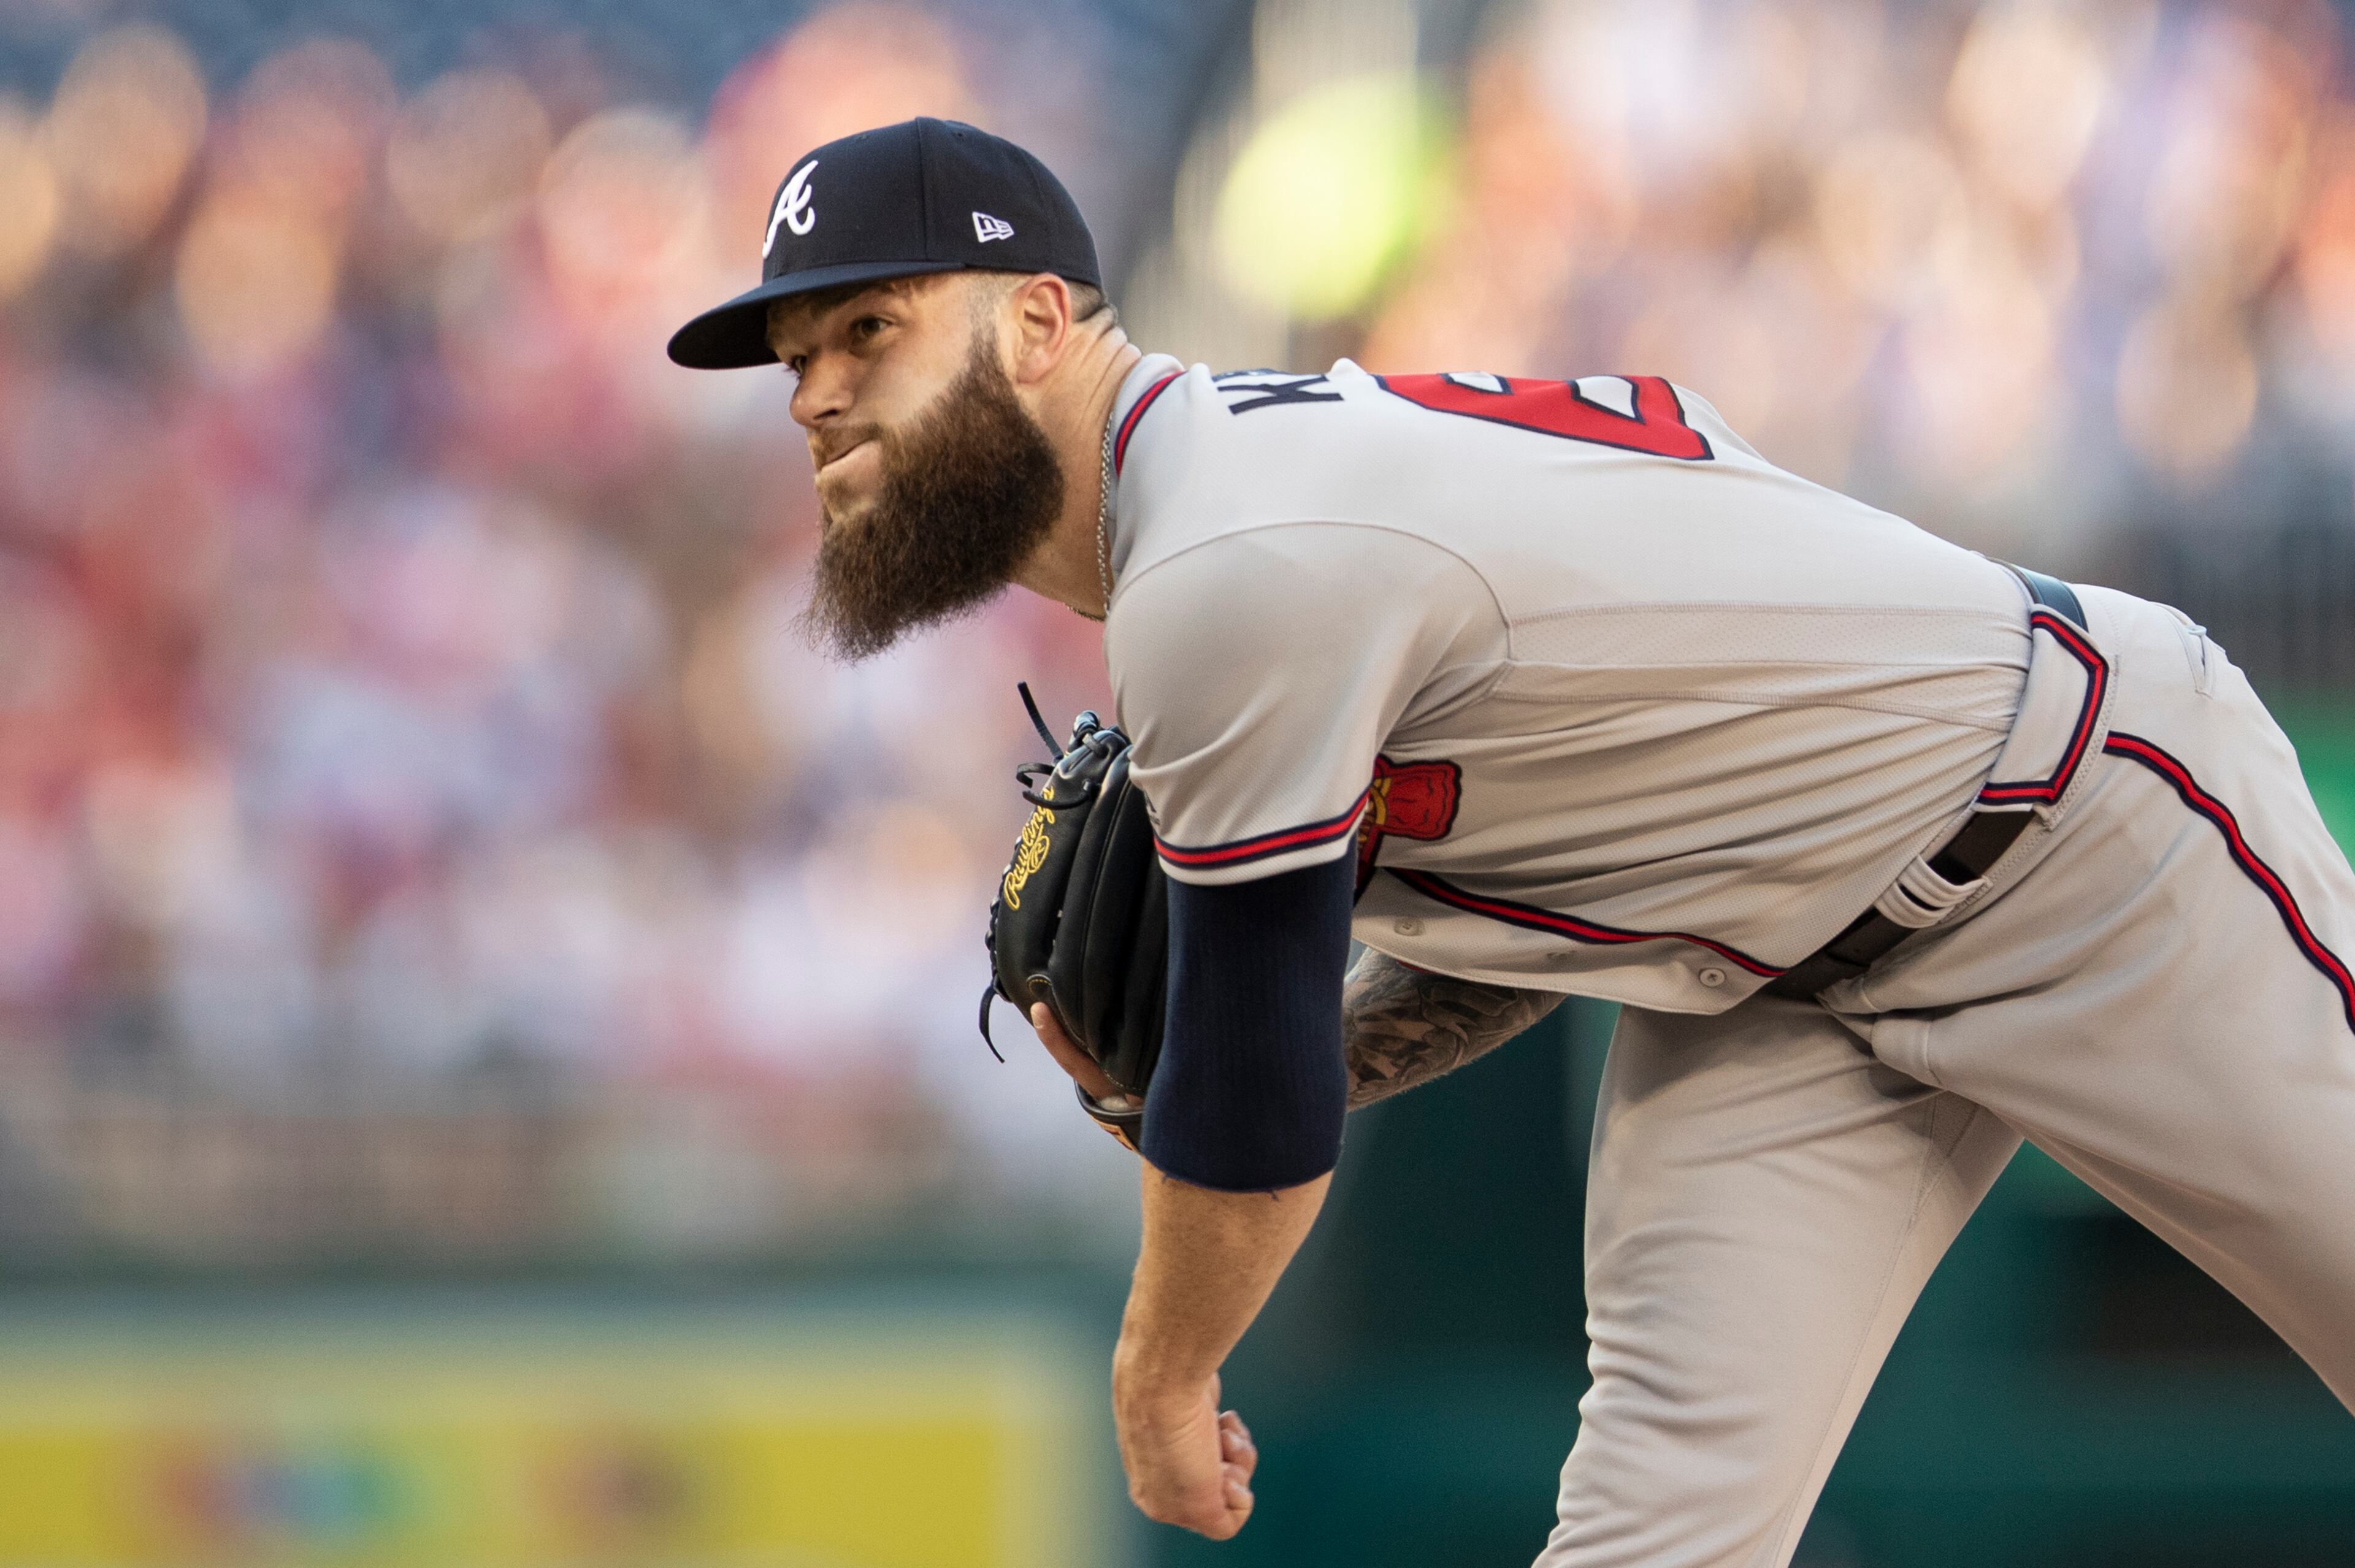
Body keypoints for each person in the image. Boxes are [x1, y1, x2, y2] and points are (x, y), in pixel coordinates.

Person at [670, 118, 2355, 1567]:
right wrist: (1256, 1072)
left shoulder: (1233, 557)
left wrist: (1163, 1373)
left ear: (1039, 318)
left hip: (2083, 825)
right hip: (1771, 980)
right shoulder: (1243, 513)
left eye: (868, 330)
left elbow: (1255, 1106)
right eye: (795, 361)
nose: (815, 396)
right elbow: (1532, 926)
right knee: (1650, 1537)